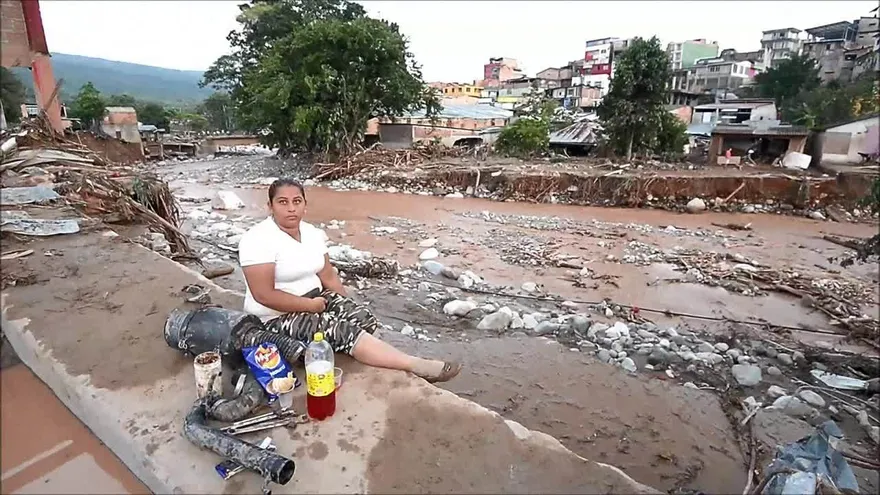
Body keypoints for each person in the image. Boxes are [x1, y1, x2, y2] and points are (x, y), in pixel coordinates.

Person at [237, 178, 462, 383]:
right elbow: (263, 295)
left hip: (317, 298)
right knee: (343, 331)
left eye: (297, 201)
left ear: (305, 204)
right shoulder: (257, 239)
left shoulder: (312, 233)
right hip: (275, 315)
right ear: (270, 206)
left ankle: (341, 344)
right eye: (283, 202)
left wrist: (345, 306)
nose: (291, 208)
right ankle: (417, 366)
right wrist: (310, 307)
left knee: (364, 320)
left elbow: (327, 275)